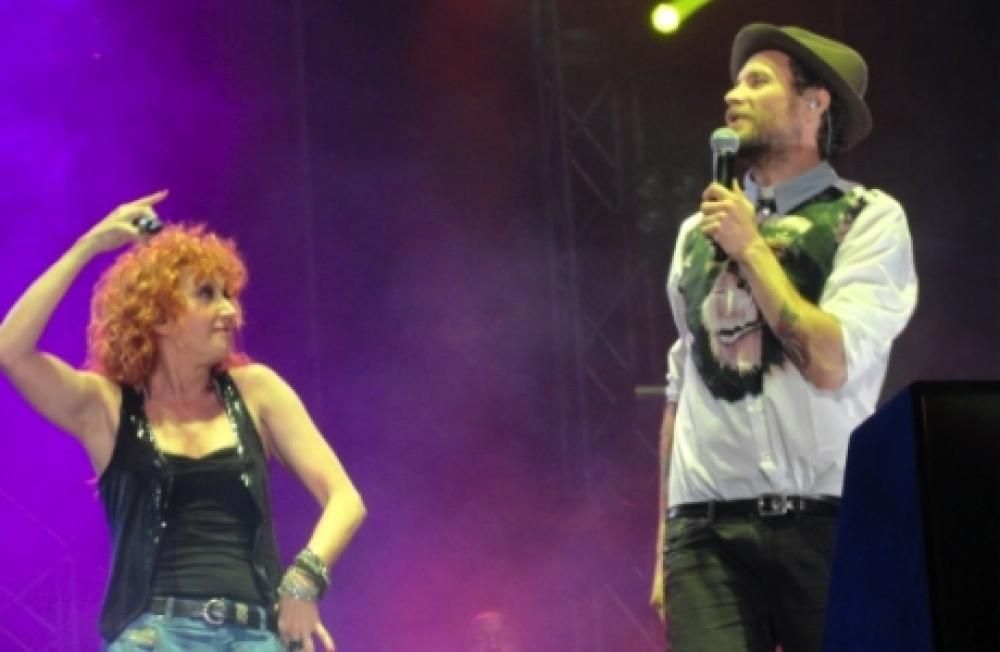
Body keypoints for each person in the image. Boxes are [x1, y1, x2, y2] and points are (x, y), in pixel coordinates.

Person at [0, 191, 367, 651]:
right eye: (207, 294)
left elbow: (345, 498)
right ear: (159, 317)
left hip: (256, 636)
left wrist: (304, 580)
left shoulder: (257, 390)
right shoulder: (106, 407)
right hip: (153, 638)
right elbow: (10, 350)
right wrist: (88, 246)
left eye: (229, 295)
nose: (230, 311)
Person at [649, 24, 918, 651]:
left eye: (757, 81)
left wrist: (752, 248)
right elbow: (681, 392)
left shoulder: (867, 217)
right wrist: (663, 548)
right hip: (704, 537)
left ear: (814, 103)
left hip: (824, 526)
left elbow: (830, 361)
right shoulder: (694, 235)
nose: (731, 95)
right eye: (734, 83)